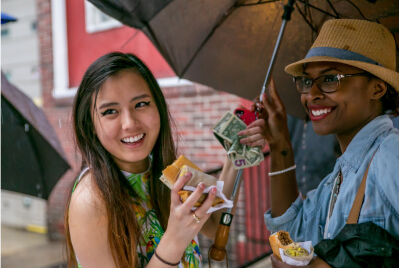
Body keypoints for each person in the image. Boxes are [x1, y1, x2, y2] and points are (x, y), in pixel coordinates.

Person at [239, 19, 399, 267]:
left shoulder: (391, 154)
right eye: (306, 81)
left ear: (377, 88)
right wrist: (281, 144)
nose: (311, 94)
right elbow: (291, 234)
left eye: (330, 79)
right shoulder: (339, 176)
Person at [64, 52, 239, 268]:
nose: (129, 123)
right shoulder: (90, 201)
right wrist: (174, 240)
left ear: (158, 106)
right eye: (110, 111)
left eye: (141, 104)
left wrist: (235, 156)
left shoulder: (170, 167)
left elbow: (213, 226)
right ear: (90, 124)